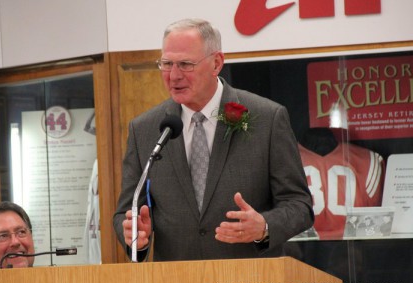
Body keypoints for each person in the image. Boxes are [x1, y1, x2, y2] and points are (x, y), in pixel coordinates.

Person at [113, 18, 314, 262]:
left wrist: (264, 227)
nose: (173, 76)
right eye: (166, 64)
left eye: (185, 64)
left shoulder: (267, 118)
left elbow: (299, 205)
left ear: (216, 63)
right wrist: (137, 235)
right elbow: (127, 209)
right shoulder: (144, 129)